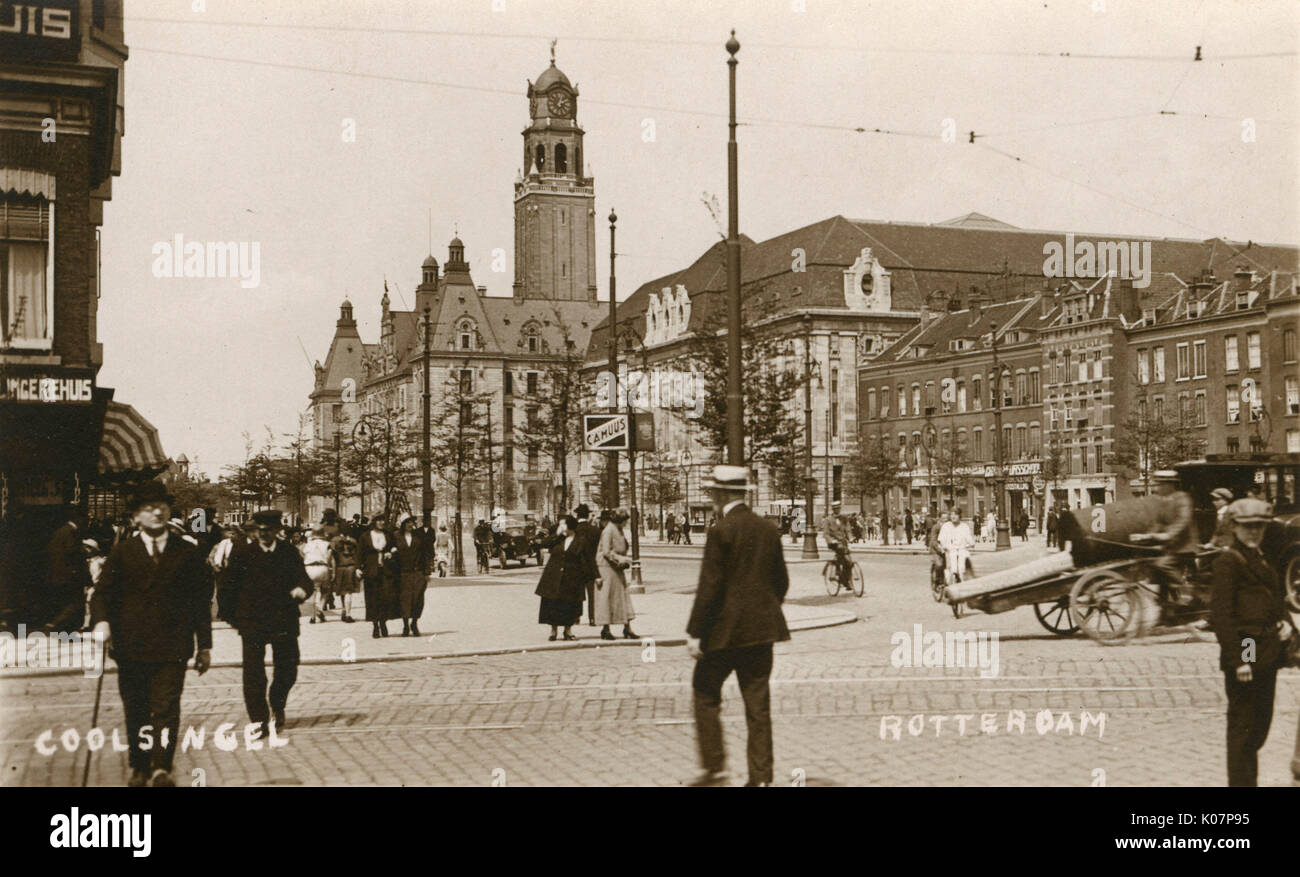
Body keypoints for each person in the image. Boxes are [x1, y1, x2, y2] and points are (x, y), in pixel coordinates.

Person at [90, 480, 212, 786]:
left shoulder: (186, 552)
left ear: (169, 510)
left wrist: (204, 646)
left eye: (161, 506)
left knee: (167, 707)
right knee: (137, 708)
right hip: (131, 645)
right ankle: (140, 765)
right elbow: (102, 594)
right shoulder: (123, 552)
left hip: (173, 644)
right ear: (136, 516)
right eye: (148, 508)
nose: (156, 512)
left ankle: (160, 768)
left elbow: (200, 601)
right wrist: (101, 623)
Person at [686, 466, 790, 788]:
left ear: (719, 494)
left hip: (724, 635)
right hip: (762, 633)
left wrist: (696, 632)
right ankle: (761, 780)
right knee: (758, 706)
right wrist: (763, 611)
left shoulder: (720, 531)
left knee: (704, 691)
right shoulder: (767, 529)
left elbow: (710, 587)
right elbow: (781, 582)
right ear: (743, 492)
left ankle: (716, 769)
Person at [1209, 498, 1289, 786]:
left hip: (1267, 648)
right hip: (1249, 646)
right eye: (1248, 527)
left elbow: (1272, 596)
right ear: (1234, 528)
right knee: (1244, 725)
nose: (1254, 532)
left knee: (1259, 725)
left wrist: (1283, 622)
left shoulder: (1260, 556)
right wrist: (1240, 659)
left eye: (1259, 527)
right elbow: (1222, 616)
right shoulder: (1229, 561)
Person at [221, 509, 312, 736]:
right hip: (253, 623)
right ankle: (259, 720)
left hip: (284, 620)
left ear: (277, 531)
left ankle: (277, 701)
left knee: (288, 668)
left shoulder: (288, 552)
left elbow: (304, 579)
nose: (263, 534)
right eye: (259, 530)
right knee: (253, 673)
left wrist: (302, 589)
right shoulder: (243, 553)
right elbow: (227, 588)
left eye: (268, 530)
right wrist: (235, 619)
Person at [535, 515, 587, 641]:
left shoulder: (580, 540)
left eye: (563, 524)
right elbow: (543, 544)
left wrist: (587, 577)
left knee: (570, 604)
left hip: (571, 577)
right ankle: (553, 631)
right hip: (554, 576)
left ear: (570, 526)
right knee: (553, 604)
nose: (561, 526)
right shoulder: (558, 539)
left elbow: (584, 559)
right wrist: (557, 535)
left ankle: (568, 631)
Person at [595, 507, 637, 640]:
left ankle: (627, 628)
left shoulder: (618, 530)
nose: (626, 523)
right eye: (624, 520)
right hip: (607, 569)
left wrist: (622, 560)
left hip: (615, 568)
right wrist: (622, 560)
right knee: (608, 598)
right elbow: (606, 552)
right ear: (619, 520)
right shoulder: (608, 531)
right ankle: (606, 629)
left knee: (623, 597)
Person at [359, 514, 399, 638]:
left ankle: (383, 622)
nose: (382, 522)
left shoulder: (387, 535)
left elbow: (395, 547)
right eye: (379, 520)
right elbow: (359, 553)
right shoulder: (365, 536)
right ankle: (375, 625)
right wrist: (357, 568)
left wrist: (391, 552)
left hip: (386, 571)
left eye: (383, 520)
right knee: (372, 599)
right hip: (371, 571)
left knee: (386, 598)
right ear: (374, 522)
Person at [392, 514, 428, 636]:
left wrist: (426, 573)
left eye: (411, 522)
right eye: (407, 522)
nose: (409, 525)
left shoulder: (419, 537)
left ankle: (414, 622)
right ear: (402, 524)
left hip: (417, 572)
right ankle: (406, 625)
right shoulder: (396, 536)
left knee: (418, 599)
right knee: (405, 600)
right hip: (403, 573)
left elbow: (425, 555)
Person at [572, 504, 601, 626]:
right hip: (591, 565)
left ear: (577, 515)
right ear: (588, 515)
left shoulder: (573, 530)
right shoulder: (595, 530)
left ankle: (576, 617)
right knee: (592, 594)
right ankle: (592, 618)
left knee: (577, 593)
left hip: (576, 566)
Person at [328, 523, 360, 623]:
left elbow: (330, 554)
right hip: (351, 566)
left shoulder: (334, 541)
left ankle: (344, 611)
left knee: (342, 591)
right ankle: (348, 614)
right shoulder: (353, 541)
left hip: (339, 567)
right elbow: (357, 554)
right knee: (349, 592)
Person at [301, 526, 333, 624]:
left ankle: (313, 616)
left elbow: (302, 555)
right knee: (326, 590)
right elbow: (329, 558)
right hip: (322, 567)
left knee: (312, 592)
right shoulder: (327, 544)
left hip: (309, 568)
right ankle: (320, 608)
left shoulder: (307, 545)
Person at [938, 509, 976, 585]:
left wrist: (971, 543)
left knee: (962, 568)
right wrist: (945, 546)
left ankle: (962, 581)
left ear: (960, 516)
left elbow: (969, 539)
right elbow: (941, 539)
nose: (953, 516)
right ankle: (949, 584)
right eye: (952, 514)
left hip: (961, 549)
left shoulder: (964, 526)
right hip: (950, 550)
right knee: (952, 569)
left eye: (955, 514)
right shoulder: (946, 526)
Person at [821, 502, 852, 585]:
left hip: (843, 542)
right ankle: (841, 576)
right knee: (845, 560)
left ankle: (845, 579)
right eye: (835, 508)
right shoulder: (828, 520)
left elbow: (848, 529)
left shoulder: (844, 518)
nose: (837, 510)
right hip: (833, 543)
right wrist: (831, 540)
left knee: (849, 562)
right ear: (833, 509)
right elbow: (826, 533)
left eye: (838, 508)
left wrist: (851, 537)